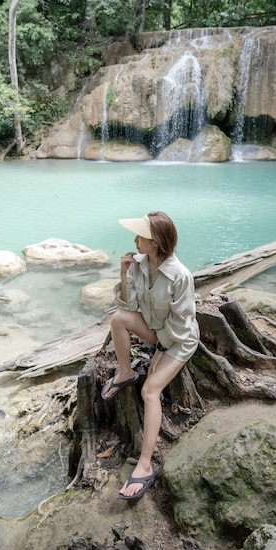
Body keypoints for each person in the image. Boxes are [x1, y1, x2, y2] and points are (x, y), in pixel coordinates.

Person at [101, 211, 200, 501]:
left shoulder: (180, 276)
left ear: (156, 242)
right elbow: (129, 304)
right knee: (119, 319)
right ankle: (124, 373)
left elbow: (182, 326)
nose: (134, 240)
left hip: (179, 340)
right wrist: (123, 273)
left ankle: (144, 466)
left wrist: (160, 348)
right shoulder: (140, 263)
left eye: (140, 236)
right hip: (158, 330)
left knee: (150, 391)